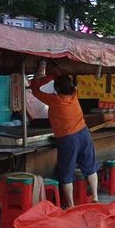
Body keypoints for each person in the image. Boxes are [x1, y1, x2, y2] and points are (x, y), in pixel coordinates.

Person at [29, 74, 98, 208]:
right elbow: (64, 77)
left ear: (57, 88)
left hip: (68, 138)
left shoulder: (54, 100)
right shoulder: (74, 94)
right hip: (84, 133)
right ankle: (95, 196)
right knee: (90, 166)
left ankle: (71, 205)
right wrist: (54, 74)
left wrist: (45, 77)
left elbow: (35, 91)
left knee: (67, 171)